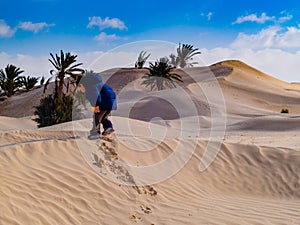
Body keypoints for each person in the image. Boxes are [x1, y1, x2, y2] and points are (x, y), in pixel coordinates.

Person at [77, 73, 117, 139]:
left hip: (103, 103)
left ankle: (95, 133)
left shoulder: (90, 87)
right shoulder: (97, 84)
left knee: (96, 118)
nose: (81, 91)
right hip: (111, 103)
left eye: (80, 88)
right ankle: (108, 127)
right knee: (103, 118)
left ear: (82, 85)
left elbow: (96, 97)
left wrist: (96, 105)